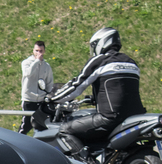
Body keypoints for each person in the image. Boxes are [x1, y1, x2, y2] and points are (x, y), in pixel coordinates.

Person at [50, 27, 146, 155]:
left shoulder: (101, 61)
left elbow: (76, 86)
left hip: (110, 118)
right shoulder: (131, 63)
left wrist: (53, 99)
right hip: (135, 116)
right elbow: (118, 88)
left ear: (101, 43)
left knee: (64, 130)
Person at [19, 41, 53, 134]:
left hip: (41, 100)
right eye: (36, 50)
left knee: (41, 124)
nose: (39, 53)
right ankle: (18, 141)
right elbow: (28, 74)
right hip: (29, 99)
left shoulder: (46, 66)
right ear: (33, 51)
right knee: (26, 124)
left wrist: (48, 95)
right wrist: (36, 61)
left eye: (41, 51)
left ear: (44, 51)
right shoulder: (26, 63)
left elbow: (49, 82)